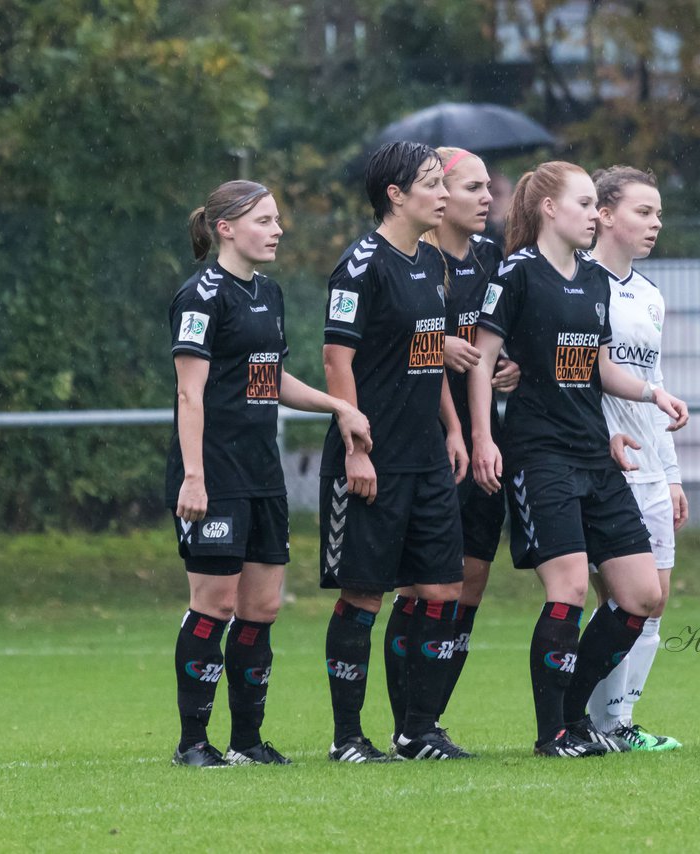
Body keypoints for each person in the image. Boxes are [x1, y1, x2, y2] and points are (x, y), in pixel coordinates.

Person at [467, 161, 689, 758]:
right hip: (540, 455)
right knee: (566, 590)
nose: (595, 215)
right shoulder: (516, 273)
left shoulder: (593, 283)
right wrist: (486, 438)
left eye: (597, 204)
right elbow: (484, 360)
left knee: (642, 596)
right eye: (587, 204)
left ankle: (574, 715)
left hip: (595, 453)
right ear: (549, 209)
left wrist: (651, 392)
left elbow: (594, 364)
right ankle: (553, 735)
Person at [167, 180, 372, 767]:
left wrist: (338, 404)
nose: (277, 229)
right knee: (216, 603)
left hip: (263, 474)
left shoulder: (269, 293)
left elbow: (271, 381)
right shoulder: (201, 296)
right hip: (214, 474)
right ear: (226, 228)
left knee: (262, 608)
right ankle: (193, 743)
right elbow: (189, 392)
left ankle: (248, 741)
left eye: (277, 218)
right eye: (264, 220)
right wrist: (193, 475)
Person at [319, 141, 472, 762]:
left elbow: (427, 354)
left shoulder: (426, 263)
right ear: (397, 195)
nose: (443, 193)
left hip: (427, 457)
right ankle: (347, 738)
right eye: (433, 183)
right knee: (364, 596)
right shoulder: (360, 265)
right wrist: (358, 447)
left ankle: (416, 731)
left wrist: (454, 429)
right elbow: (336, 358)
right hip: (374, 461)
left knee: (441, 594)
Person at [382, 148, 520, 744]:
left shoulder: (493, 259)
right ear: (438, 196)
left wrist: (506, 364)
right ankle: (406, 726)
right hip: (427, 443)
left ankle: (428, 721)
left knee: (470, 584)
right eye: (472, 187)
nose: (487, 197)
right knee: (419, 587)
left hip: (485, 443)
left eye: (489, 186)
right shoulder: (414, 259)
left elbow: (503, 338)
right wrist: (439, 351)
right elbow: (380, 339)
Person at [583, 166, 685, 752]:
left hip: (649, 465)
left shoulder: (650, 296)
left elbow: (655, 380)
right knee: (617, 599)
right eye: (644, 212)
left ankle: (619, 722)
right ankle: (593, 722)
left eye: (659, 214)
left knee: (655, 600)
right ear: (604, 214)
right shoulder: (577, 282)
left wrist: (670, 474)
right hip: (602, 464)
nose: (655, 224)